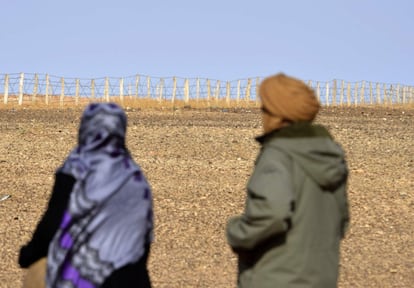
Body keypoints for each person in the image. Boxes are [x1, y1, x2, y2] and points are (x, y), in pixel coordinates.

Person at [226, 73, 350, 288]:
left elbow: (272, 214)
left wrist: (237, 232)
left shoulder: (279, 154)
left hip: (276, 278)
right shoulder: (331, 154)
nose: (263, 115)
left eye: (265, 109)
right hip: (322, 278)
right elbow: (342, 221)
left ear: (277, 114)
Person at [19, 102, 154, 288]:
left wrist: (30, 253)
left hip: (84, 279)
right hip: (131, 279)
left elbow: (53, 221)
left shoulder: (77, 169)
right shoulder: (135, 178)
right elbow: (143, 240)